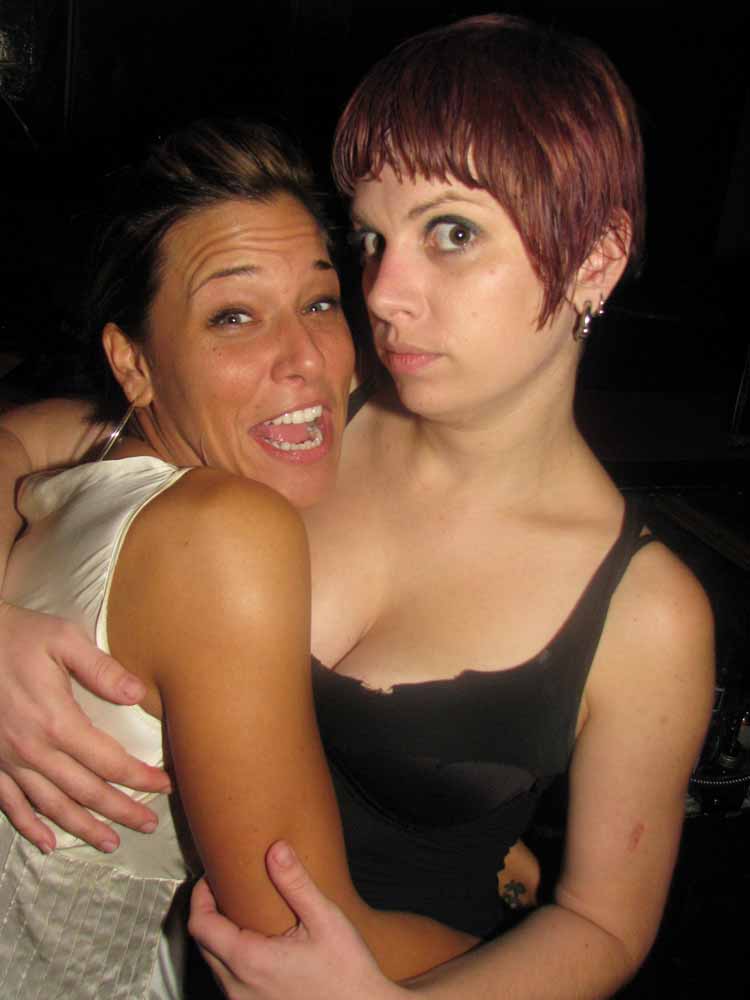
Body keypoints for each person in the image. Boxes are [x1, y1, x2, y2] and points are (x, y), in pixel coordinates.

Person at [0, 14, 713, 998]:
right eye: (373, 237)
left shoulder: (646, 613)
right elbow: (31, 439)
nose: (382, 292)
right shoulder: (307, 414)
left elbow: (602, 922)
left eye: (452, 233)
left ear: (595, 258)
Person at [0, 119, 474, 999]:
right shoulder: (228, 531)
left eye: (320, 303)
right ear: (133, 364)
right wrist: (556, 939)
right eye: (233, 316)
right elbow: (301, 937)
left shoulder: (97, 454)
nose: (305, 358)